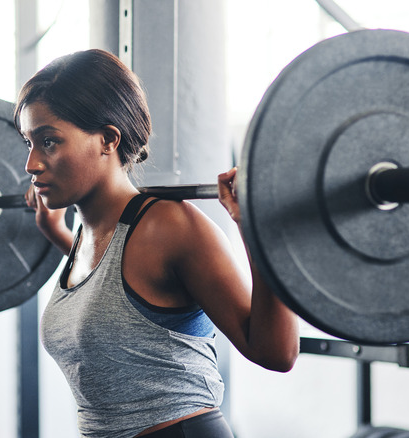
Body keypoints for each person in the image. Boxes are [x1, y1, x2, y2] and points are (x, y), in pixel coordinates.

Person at [15, 49, 299, 438]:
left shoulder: (169, 226)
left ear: (108, 139)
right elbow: (115, 294)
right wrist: (57, 234)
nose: (31, 163)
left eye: (48, 142)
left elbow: (275, 352)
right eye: (28, 142)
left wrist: (262, 229)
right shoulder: (89, 234)